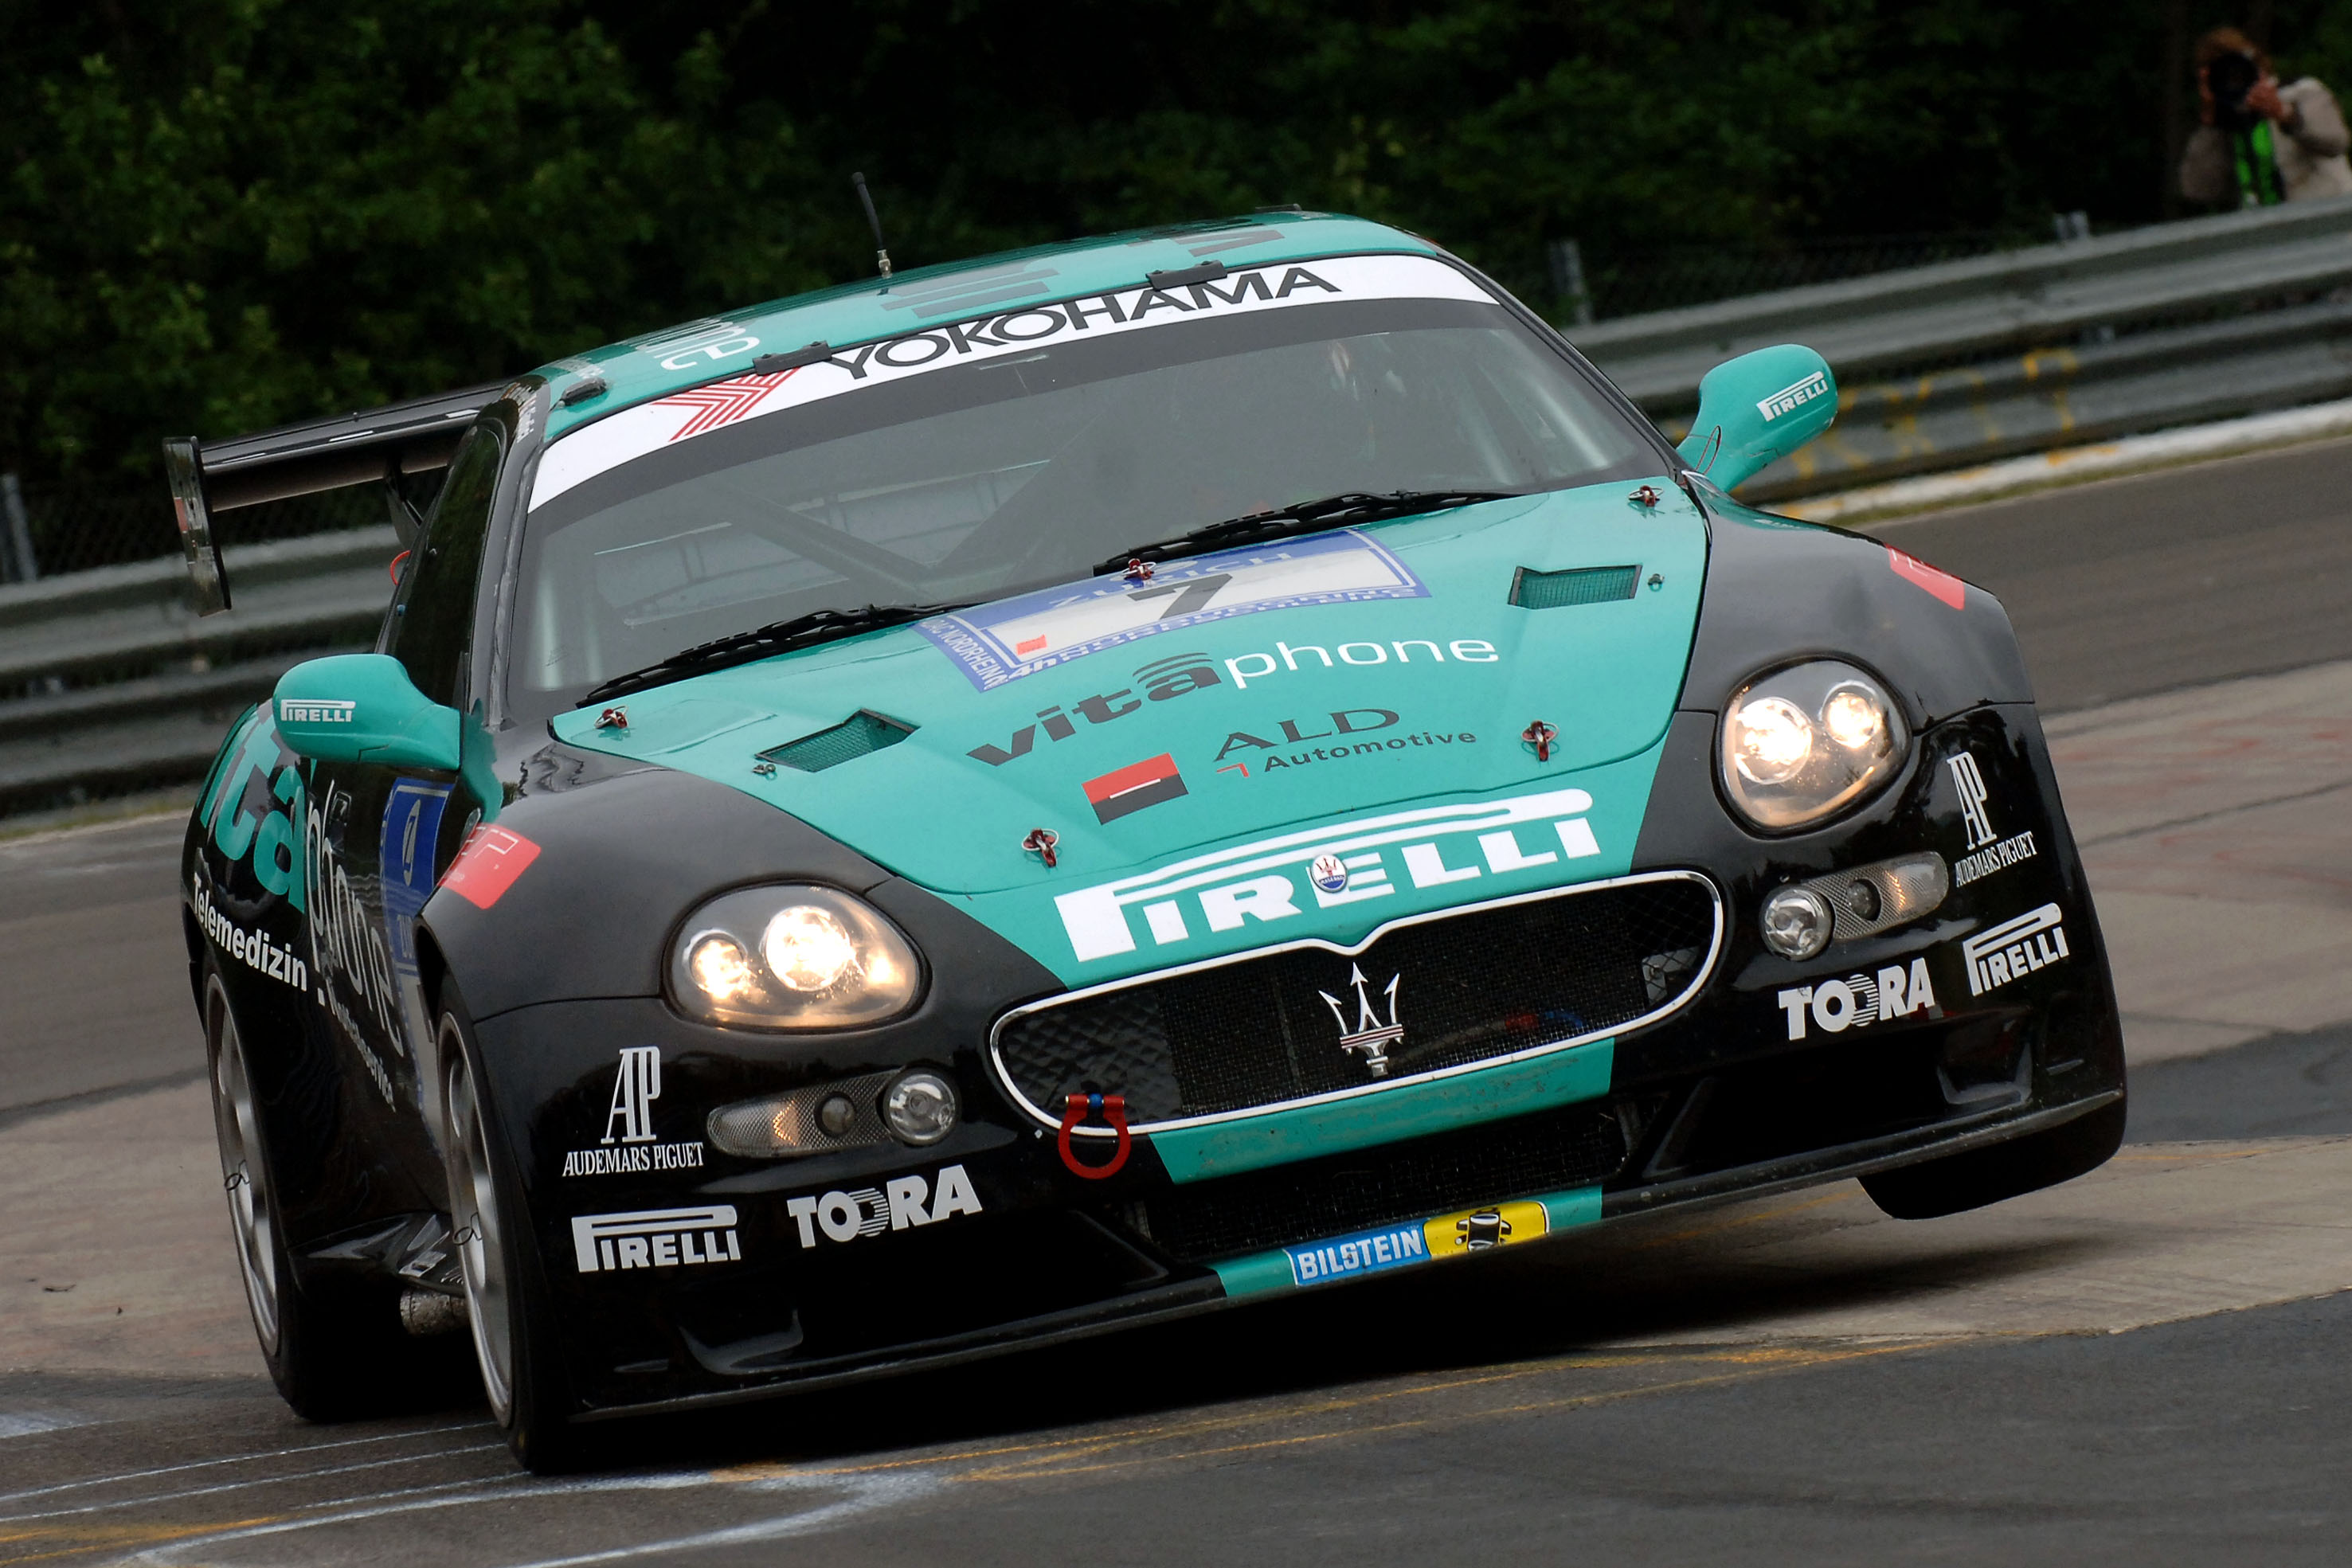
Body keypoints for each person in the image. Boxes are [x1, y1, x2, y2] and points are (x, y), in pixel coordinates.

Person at [2180, 27, 2352, 206]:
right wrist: (2210, 122)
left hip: (2330, 217)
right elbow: (2197, 191)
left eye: (2237, 70)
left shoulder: (2301, 92)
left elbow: (2337, 142)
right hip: (2272, 229)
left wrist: (2284, 114)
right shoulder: (2224, 125)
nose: (2232, 80)